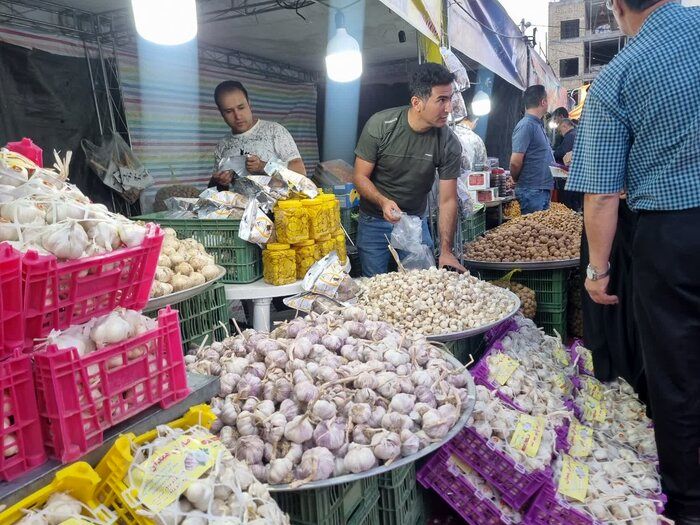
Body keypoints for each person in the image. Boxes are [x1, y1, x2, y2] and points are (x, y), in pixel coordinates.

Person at [566, 1, 700, 523]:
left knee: (678, 370)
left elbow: (600, 196)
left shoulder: (620, 73)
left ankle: (688, 507)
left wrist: (598, 273)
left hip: (673, 238)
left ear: (617, 6)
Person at [353, 62, 464, 277]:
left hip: (414, 222)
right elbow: (359, 176)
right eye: (441, 100)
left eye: (450, 99)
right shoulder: (382, 125)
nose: (449, 108)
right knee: (375, 288)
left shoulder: (448, 143)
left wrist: (446, 250)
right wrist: (382, 201)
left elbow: (448, 200)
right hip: (374, 220)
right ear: (417, 102)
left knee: (422, 287)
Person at [209, 80, 306, 190]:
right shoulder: (222, 145)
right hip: (241, 206)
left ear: (249, 105)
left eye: (241, 107)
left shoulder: (274, 131)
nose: (238, 116)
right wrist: (222, 182)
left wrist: (263, 167)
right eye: (229, 111)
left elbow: (300, 172)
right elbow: (216, 190)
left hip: (279, 206)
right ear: (221, 113)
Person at [509, 85, 555, 214]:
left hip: (540, 190)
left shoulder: (537, 125)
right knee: (534, 231)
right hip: (531, 191)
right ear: (543, 102)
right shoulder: (526, 125)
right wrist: (516, 179)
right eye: (547, 100)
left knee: (542, 231)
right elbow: (515, 161)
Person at [453, 107, 488, 172]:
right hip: (468, 181)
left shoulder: (447, 133)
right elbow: (483, 168)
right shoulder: (476, 139)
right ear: (475, 121)